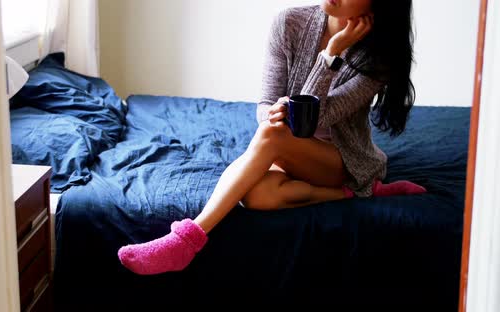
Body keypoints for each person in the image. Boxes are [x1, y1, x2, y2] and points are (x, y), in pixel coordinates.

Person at [118, 0, 426, 275]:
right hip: (289, 149)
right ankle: (358, 194)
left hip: (341, 160)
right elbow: (265, 104)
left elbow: (317, 118)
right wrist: (273, 115)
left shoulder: (378, 56)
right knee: (256, 196)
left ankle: (187, 239)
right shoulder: (289, 22)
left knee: (272, 136)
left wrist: (331, 54)